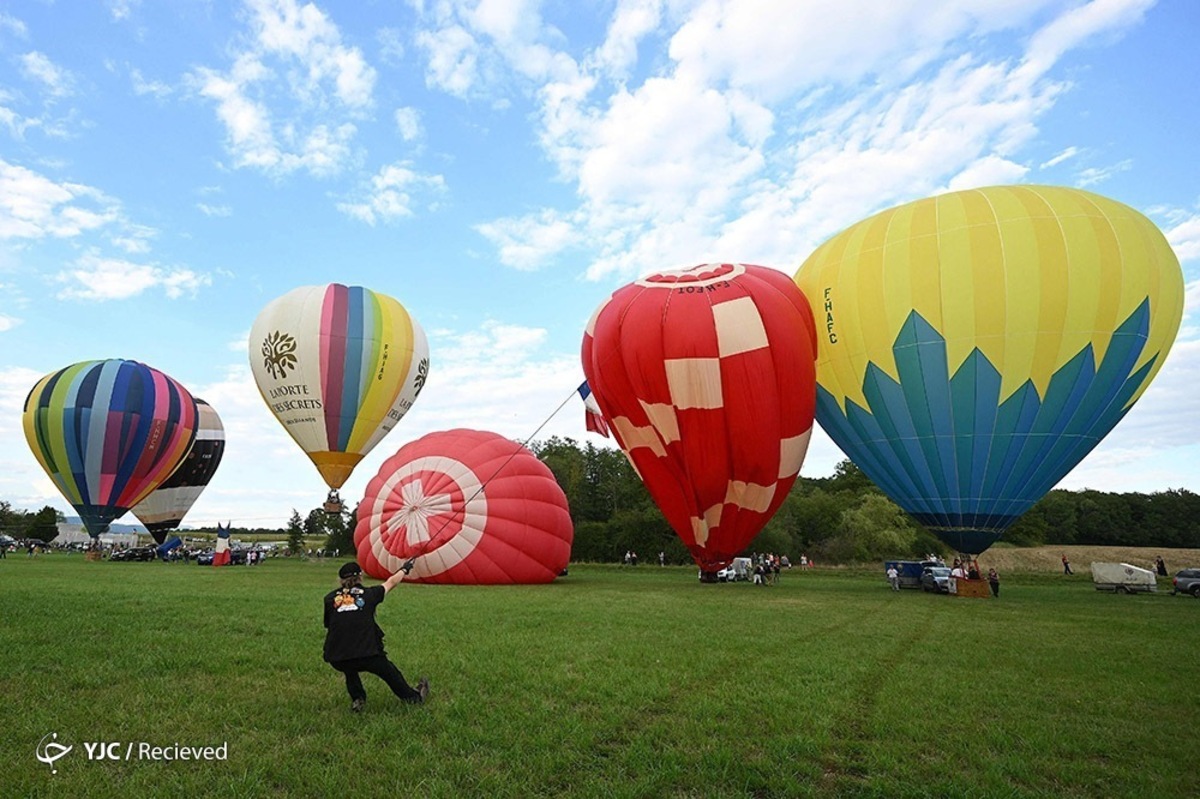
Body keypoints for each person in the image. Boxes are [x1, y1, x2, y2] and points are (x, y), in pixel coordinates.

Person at [324, 560, 428, 712]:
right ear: (360, 577)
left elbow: (329, 624)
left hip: (337, 657)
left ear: (340, 580)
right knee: (389, 672)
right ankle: (413, 698)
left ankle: (358, 698)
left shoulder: (329, 598)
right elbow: (391, 582)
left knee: (349, 667)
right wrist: (404, 569)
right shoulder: (369, 594)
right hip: (367, 654)